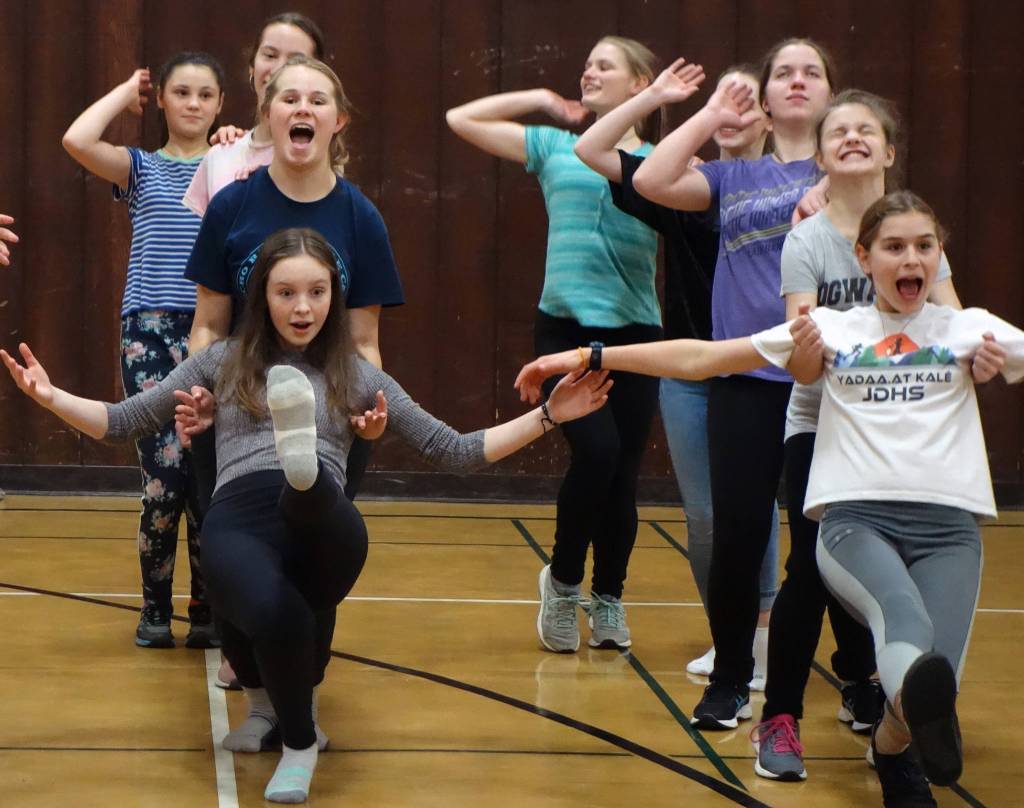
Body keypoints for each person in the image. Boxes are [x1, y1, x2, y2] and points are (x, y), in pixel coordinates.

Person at [2, 226, 613, 804]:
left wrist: (550, 416)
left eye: (317, 292)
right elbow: (123, 421)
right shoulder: (223, 361)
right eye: (286, 292)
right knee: (268, 607)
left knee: (311, 500)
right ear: (261, 295)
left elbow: (453, 450)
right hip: (241, 513)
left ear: (334, 296)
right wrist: (51, 397)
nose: (302, 307)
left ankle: (304, 481)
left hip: (325, 525)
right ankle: (284, 723)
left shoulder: (358, 373)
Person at [516, 190, 1013, 807]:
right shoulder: (831, 328)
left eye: (923, 246)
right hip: (857, 525)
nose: (910, 257)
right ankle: (899, 731)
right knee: (904, 622)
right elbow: (702, 358)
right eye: (893, 247)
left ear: (938, 260)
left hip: (950, 530)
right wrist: (587, 352)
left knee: (929, 685)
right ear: (863, 258)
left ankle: (892, 747)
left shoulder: (971, 331)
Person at [750, 89, 966, 781]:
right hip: (823, 429)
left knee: (894, 578)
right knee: (808, 574)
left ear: (889, 150)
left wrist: (972, 352)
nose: (851, 137)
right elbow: (802, 359)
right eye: (836, 130)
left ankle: (888, 695)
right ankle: (780, 717)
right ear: (818, 155)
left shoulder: (912, 231)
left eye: (865, 129)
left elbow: (954, 328)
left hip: (903, 432)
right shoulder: (808, 239)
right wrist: (834, 348)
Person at [630, 38, 835, 728]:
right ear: (767, 97)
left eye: (812, 73)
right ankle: (729, 674)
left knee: (823, 542)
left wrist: (837, 186)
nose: (798, 82)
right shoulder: (735, 177)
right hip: (744, 378)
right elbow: (651, 180)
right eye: (784, 73)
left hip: (824, 384)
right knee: (738, 535)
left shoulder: (844, 169)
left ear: (830, 94)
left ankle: (858, 678)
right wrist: (712, 108)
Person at [446, 36, 663, 652]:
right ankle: (564, 586)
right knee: (596, 455)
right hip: (565, 330)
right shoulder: (554, 146)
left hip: (636, 336)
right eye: (586, 61)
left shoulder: (661, 160)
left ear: (640, 83)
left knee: (622, 477)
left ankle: (610, 598)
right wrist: (541, 99)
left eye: (604, 64)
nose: (587, 70)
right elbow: (460, 119)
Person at [574, 57, 781, 688]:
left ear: (772, 117)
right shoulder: (685, 188)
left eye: (748, 102)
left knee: (765, 510)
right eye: (726, 99)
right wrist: (661, 97)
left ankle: (770, 639)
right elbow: (592, 146)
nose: (733, 111)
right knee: (706, 517)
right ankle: (732, 637)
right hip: (690, 370)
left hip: (764, 369)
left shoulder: (792, 190)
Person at [61, 52, 226, 648]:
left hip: (217, 334)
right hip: (149, 334)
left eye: (205, 95)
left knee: (207, 477)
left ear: (220, 105)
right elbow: (77, 139)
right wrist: (123, 89)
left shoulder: (232, 167)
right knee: (164, 476)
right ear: (161, 102)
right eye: (180, 92)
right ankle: (155, 609)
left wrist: (237, 144)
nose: (192, 104)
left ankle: (208, 608)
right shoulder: (139, 168)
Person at [183, 12, 325, 217]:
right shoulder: (221, 155)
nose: (278, 69)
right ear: (252, 66)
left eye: (296, 60)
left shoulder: (318, 154)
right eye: (269, 55)